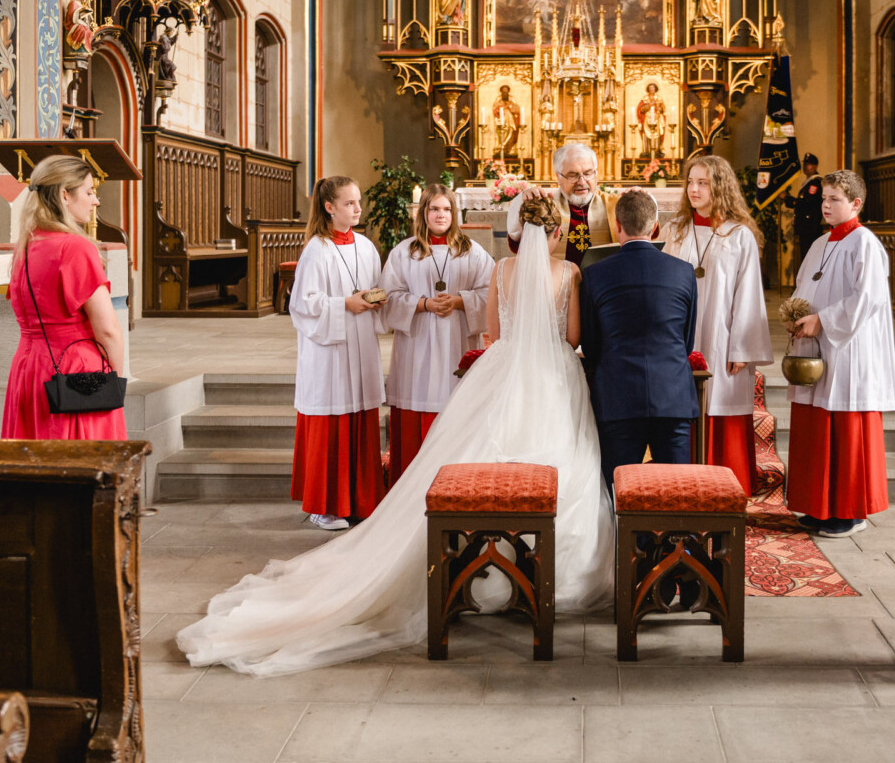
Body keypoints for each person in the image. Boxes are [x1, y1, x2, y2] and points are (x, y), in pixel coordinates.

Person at [177, 197, 613, 676]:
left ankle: (474, 562)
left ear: (517, 232)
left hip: (502, 372)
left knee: (477, 457)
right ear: (556, 234)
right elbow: (573, 337)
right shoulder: (569, 273)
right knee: (561, 463)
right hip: (554, 377)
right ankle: (543, 573)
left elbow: (493, 331)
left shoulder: (502, 269)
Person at [784, 170, 895, 539]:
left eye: (835, 199)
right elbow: (804, 286)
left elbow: (868, 299)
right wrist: (796, 315)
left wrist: (823, 320)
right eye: (824, 199)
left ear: (856, 203)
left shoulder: (865, 243)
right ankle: (820, 507)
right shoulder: (820, 243)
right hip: (818, 348)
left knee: (844, 429)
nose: (826, 205)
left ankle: (850, 512)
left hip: (850, 351)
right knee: (818, 428)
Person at [661, 155, 772, 493]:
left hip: (723, 335)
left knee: (722, 398)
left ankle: (726, 485)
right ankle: (684, 483)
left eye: (703, 183)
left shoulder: (739, 236)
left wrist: (743, 348)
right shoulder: (675, 231)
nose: (693, 189)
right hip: (680, 333)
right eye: (690, 182)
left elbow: (748, 294)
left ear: (720, 187)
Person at [1, 155, 125, 441]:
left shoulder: (25, 246)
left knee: (35, 456)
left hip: (28, 368)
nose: (96, 201)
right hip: (75, 373)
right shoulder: (75, 247)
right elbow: (107, 330)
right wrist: (114, 382)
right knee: (82, 460)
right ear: (64, 195)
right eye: (89, 192)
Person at [581, 189, 698, 491]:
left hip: (618, 397)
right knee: (676, 491)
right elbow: (686, 341)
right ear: (655, 227)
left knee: (618, 490)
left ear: (617, 225)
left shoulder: (594, 274)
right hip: (672, 396)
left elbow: (591, 345)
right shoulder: (684, 272)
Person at [288, 177, 388, 531]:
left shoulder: (366, 246)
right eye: (349, 203)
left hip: (360, 345)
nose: (358, 209)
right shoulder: (316, 249)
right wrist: (345, 303)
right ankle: (324, 506)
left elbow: (375, 289)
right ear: (329, 207)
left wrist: (376, 299)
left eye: (358, 202)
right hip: (329, 353)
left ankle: (361, 500)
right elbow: (303, 305)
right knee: (332, 423)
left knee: (360, 416)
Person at [380, 184, 494, 486]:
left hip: (457, 342)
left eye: (446, 209)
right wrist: (424, 304)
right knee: (417, 403)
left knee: (455, 406)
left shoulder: (472, 251)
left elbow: (492, 294)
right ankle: (411, 489)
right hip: (417, 347)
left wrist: (460, 301)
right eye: (434, 209)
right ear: (423, 213)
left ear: (454, 214)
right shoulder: (404, 252)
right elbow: (388, 297)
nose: (440, 215)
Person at [506, 142, 620, 267]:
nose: (582, 182)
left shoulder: (613, 204)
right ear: (558, 177)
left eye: (588, 173)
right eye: (573, 175)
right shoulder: (546, 205)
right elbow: (516, 236)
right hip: (556, 278)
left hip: (602, 278)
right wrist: (522, 201)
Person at [783, 153, 824, 264]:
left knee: (810, 259)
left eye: (809, 164)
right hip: (805, 227)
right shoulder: (808, 183)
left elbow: (807, 202)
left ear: (815, 166)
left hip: (811, 228)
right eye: (805, 164)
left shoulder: (815, 182)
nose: (806, 167)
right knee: (805, 258)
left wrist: (787, 198)